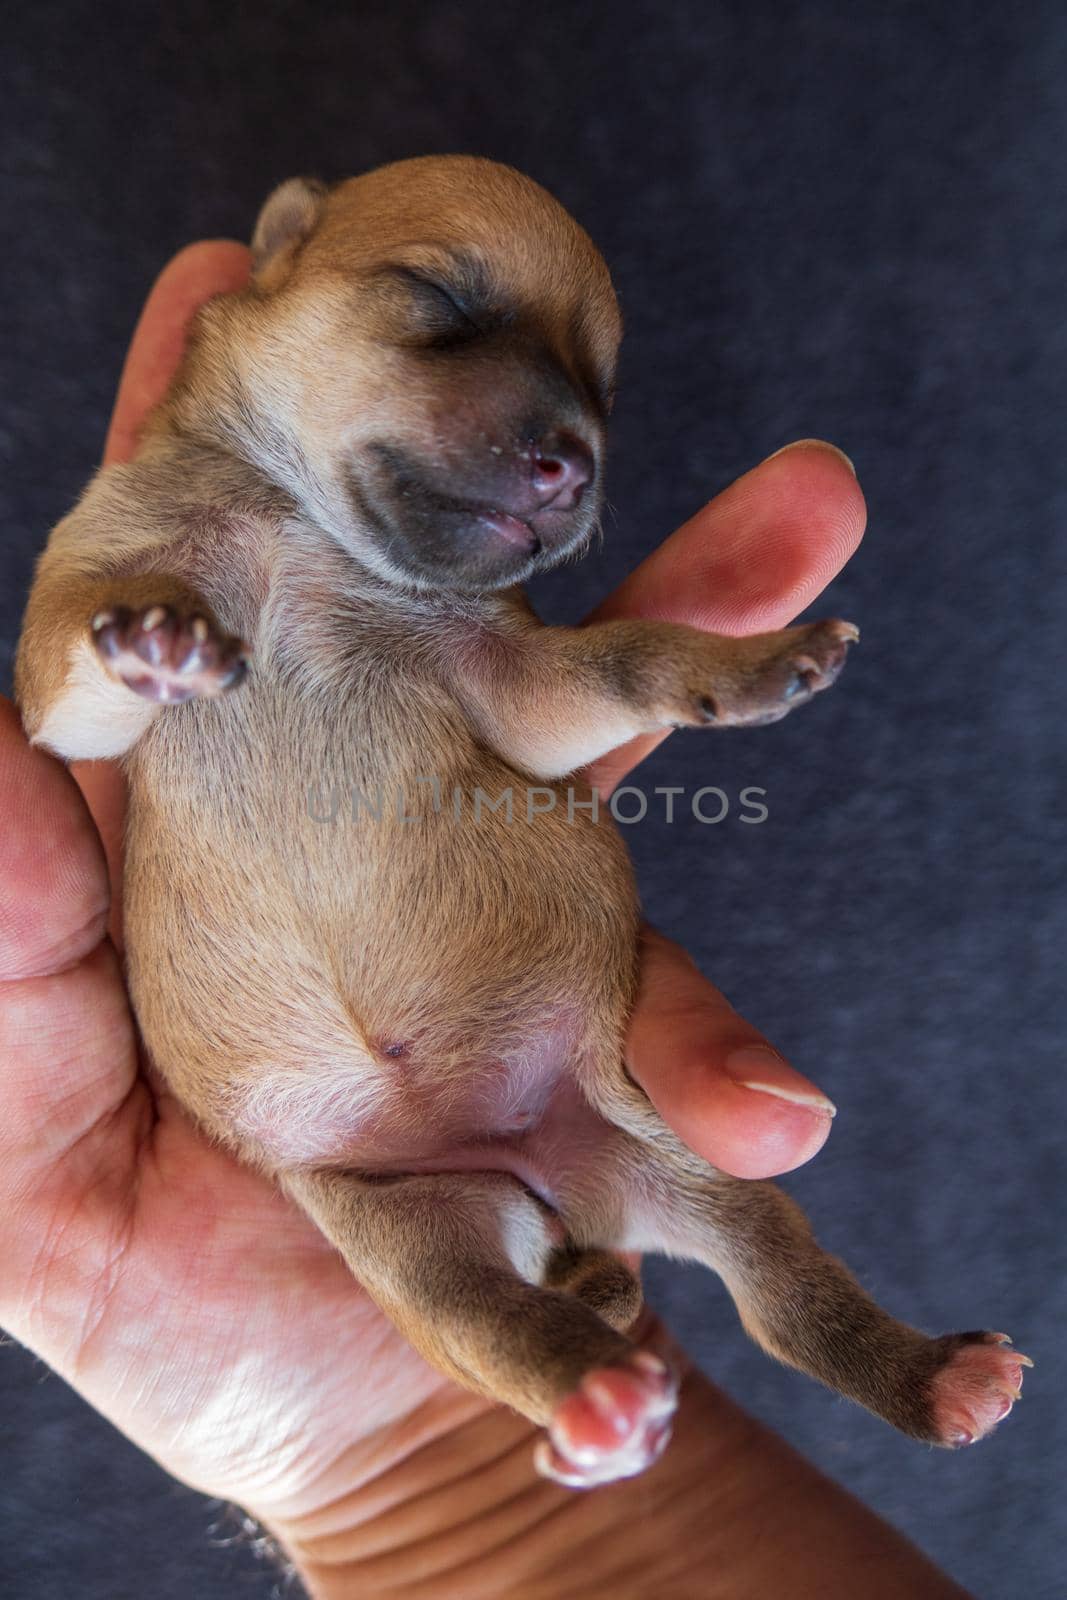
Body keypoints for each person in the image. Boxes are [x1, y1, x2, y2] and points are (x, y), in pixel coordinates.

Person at [0, 241, 970, 1599]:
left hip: (534, 1060)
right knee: (469, 1291)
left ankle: (887, 1363)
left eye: (587, 397)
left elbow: (542, 689)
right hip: (337, 1151)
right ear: (274, 271)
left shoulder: (446, 602)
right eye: (444, 313)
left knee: (742, 1223)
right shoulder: (140, 535)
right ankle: (567, 1376)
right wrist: (123, 652)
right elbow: (69, 716)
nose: (561, 440)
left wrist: (697, 680)